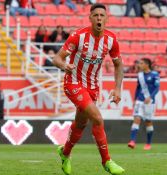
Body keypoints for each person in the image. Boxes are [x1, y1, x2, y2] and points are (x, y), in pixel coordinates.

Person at [52, 4, 125, 175]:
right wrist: (65, 66)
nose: (99, 18)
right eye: (96, 15)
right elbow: (57, 58)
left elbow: (118, 64)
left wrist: (117, 88)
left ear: (107, 18)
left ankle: (65, 153)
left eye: (102, 15)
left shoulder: (111, 39)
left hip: (93, 87)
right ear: (90, 18)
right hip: (74, 83)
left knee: (81, 123)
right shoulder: (79, 36)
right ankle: (107, 161)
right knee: (97, 119)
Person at [127, 58, 160, 150]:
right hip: (140, 100)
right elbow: (138, 88)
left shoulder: (155, 74)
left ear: (147, 65)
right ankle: (132, 141)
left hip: (150, 102)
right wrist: (135, 99)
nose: (139, 65)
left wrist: (150, 97)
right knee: (137, 118)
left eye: (141, 63)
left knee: (148, 122)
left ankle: (148, 143)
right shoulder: (140, 75)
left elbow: (157, 88)